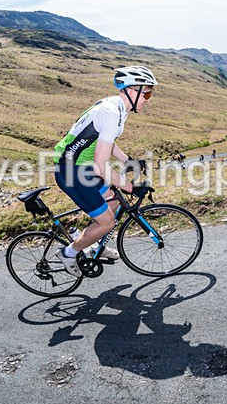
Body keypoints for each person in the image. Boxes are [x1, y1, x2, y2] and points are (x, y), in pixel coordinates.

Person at [52, 65, 156, 276]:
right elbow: (101, 164)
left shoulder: (118, 108)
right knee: (107, 221)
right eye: (147, 93)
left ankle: (92, 242)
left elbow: (107, 142)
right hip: (72, 173)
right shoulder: (110, 112)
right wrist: (130, 187)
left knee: (115, 200)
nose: (148, 98)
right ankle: (69, 253)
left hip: (83, 168)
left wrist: (128, 161)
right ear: (131, 90)